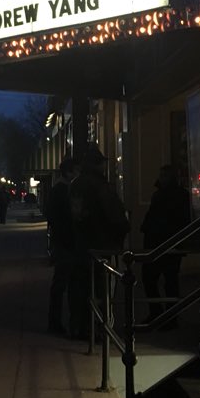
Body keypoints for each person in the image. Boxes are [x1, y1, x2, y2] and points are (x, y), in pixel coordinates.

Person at [68, 144, 130, 340]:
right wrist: (121, 232)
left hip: (82, 244)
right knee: (104, 291)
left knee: (83, 288)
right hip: (103, 245)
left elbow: (76, 214)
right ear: (98, 165)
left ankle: (83, 327)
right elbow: (114, 216)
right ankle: (102, 330)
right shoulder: (101, 186)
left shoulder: (76, 184)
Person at [139, 165, 190, 323]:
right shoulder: (177, 195)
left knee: (157, 278)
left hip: (161, 241)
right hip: (166, 241)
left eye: (165, 175)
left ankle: (161, 313)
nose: (162, 178)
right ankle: (168, 314)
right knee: (167, 279)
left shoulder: (162, 195)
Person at [45, 155, 79, 334]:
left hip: (61, 241)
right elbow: (62, 217)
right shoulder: (62, 190)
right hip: (65, 243)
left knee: (61, 283)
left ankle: (56, 321)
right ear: (68, 172)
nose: (78, 174)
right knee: (61, 283)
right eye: (76, 170)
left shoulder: (59, 189)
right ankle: (55, 322)